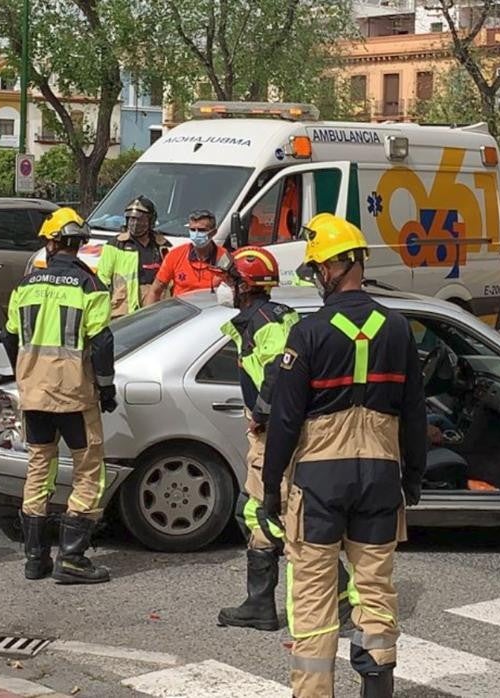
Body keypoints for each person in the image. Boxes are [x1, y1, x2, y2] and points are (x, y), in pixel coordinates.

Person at [260, 213, 426, 698]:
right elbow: (414, 413)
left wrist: (272, 486)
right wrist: (412, 476)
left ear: (339, 266)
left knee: (312, 596)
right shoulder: (397, 330)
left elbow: (286, 420)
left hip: (319, 480)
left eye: (318, 270)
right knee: (374, 590)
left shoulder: (308, 333)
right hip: (379, 475)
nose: (317, 279)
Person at [215, 246, 356, 634]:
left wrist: (262, 412)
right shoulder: (260, 318)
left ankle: (342, 593)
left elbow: (280, 372)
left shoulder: (268, 322)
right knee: (255, 511)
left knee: (274, 515)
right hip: (268, 434)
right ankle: (260, 604)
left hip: (277, 435)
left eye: (229, 281)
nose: (222, 286)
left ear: (245, 287)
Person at [2, 207, 116, 585]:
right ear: (78, 245)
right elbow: (100, 341)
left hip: (33, 393)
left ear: (51, 243)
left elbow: (9, 335)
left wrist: (25, 371)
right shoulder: (89, 285)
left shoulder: (26, 285)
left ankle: (35, 559)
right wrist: (107, 385)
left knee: (39, 467)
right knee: (88, 471)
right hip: (74, 395)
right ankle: (72, 557)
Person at [144, 209, 231, 304]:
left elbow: (234, 290)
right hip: (183, 313)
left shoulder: (224, 257)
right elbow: (155, 291)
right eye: (193, 230)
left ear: (214, 232)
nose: (196, 234)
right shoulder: (175, 255)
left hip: (212, 313)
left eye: (202, 230)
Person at [107, 195, 170, 313]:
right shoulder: (115, 244)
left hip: (156, 308)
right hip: (123, 309)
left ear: (150, 221)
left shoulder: (162, 246)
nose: (135, 223)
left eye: (140, 219)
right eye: (131, 219)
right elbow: (103, 280)